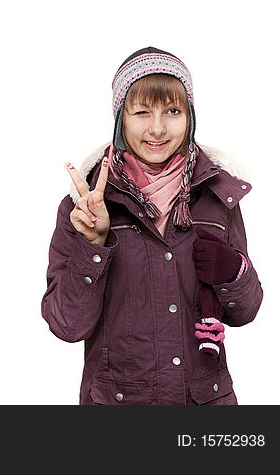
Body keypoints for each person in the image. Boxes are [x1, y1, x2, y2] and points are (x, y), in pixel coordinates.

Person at [43, 47, 263, 404]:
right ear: (121, 120)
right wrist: (93, 246)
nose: (157, 128)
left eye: (172, 111)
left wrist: (234, 272)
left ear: (189, 116)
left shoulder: (217, 195)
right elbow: (67, 326)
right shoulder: (85, 206)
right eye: (142, 112)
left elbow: (246, 311)